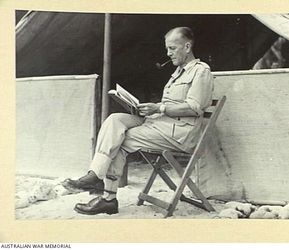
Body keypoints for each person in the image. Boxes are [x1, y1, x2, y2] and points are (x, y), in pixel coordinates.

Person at [62, 26, 214, 215]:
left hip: (181, 133)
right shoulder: (178, 72)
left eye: (172, 48)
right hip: (161, 124)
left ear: (187, 46)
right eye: (167, 49)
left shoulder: (201, 71)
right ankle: (95, 174)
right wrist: (145, 109)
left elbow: (194, 107)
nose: (168, 53)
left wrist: (159, 107)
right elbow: (170, 105)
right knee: (115, 120)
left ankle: (108, 198)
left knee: (122, 139)